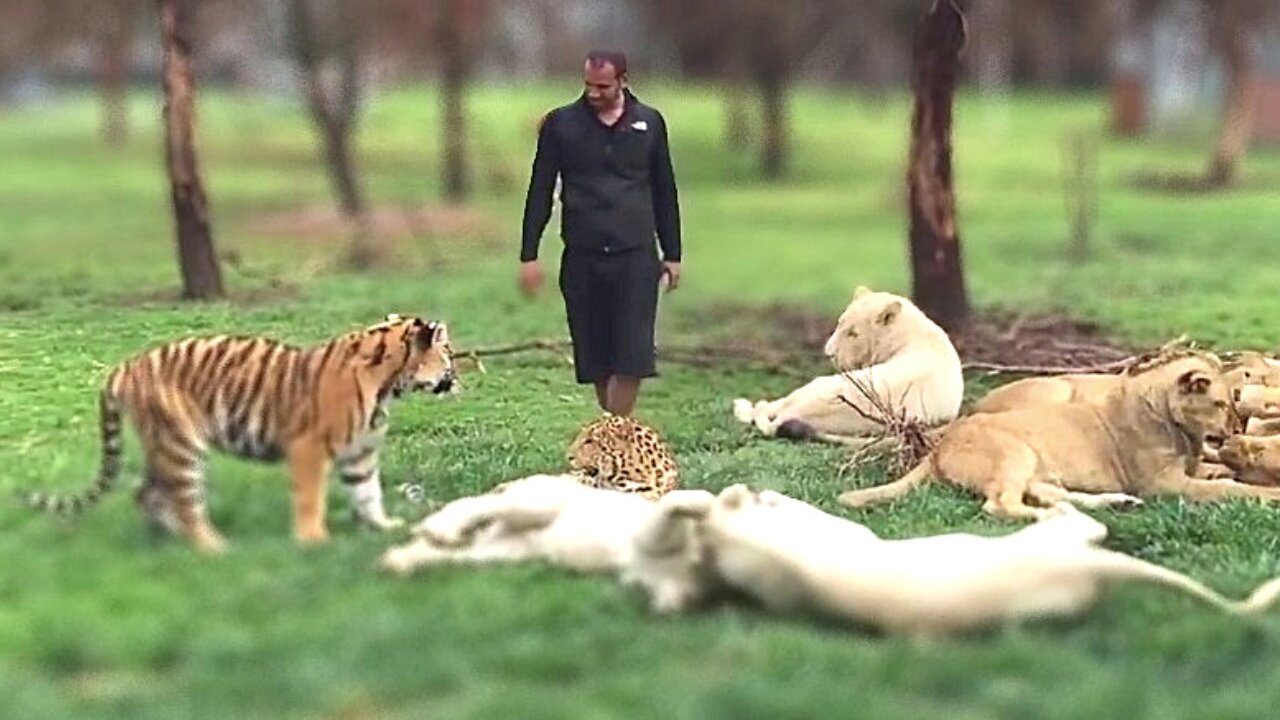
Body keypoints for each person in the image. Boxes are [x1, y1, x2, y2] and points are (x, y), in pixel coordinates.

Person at [519, 50, 683, 417]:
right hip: (583, 255)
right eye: (588, 85)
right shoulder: (560, 125)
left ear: (623, 80)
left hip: (636, 255)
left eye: (603, 86)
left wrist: (672, 253)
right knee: (596, 356)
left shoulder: (650, 123)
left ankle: (615, 431)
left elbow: (664, 189)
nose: (594, 93)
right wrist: (529, 255)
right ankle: (613, 430)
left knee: (632, 354)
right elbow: (540, 190)